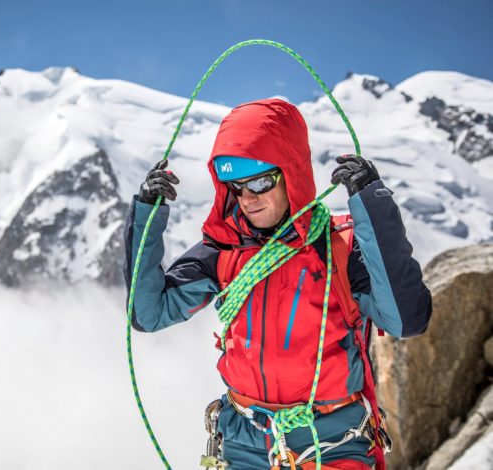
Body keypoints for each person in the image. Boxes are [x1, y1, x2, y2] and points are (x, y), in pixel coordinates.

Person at [122, 98, 432, 470]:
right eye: (236, 187)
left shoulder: (339, 246)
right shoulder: (224, 249)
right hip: (243, 442)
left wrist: (373, 205)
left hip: (332, 444)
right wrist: (147, 215)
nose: (247, 199)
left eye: (259, 182)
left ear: (292, 173)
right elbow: (149, 313)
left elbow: (406, 319)